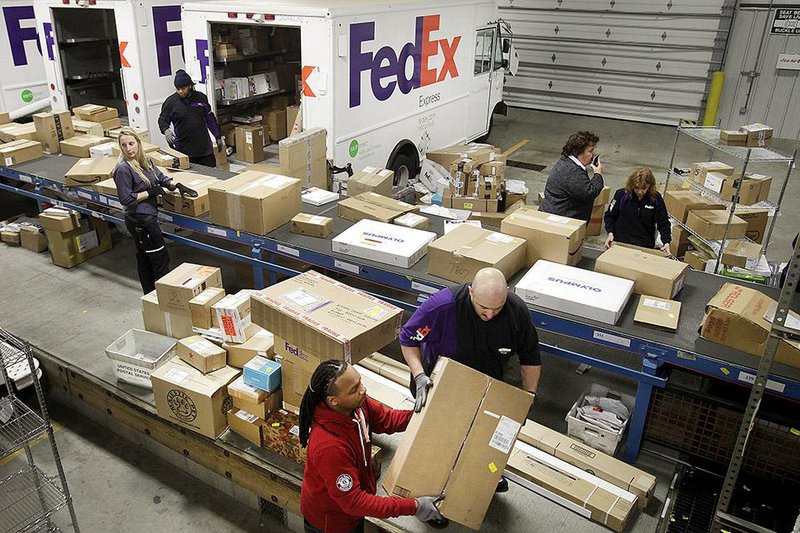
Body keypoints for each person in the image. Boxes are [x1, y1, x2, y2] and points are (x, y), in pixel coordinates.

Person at [398, 267, 542, 494]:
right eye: (483, 308)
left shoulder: (517, 312)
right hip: (439, 384)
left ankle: (477, 475)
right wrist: (419, 375)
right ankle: (431, 494)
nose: (490, 315)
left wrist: (529, 397)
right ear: (471, 292)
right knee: (440, 442)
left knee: (482, 436)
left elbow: (530, 356)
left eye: (497, 308)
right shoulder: (443, 306)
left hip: (486, 385)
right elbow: (408, 338)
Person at [299, 360, 444, 533]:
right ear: (333, 401)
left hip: (351, 514)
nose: (363, 390)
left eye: (360, 381)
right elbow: (354, 502)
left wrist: (423, 413)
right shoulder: (329, 446)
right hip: (332, 524)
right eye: (354, 389)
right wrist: (413, 506)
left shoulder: (356, 405)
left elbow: (387, 420)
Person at [113, 128, 197, 293]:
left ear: (138, 143)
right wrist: (149, 193)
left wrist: (176, 185)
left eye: (131, 143)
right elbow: (126, 199)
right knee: (158, 259)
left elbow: (161, 179)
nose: (128, 148)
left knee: (147, 257)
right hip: (139, 219)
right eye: (124, 145)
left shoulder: (146, 161)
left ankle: (152, 295)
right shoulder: (123, 169)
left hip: (148, 215)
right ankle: (159, 297)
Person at [158, 69, 223, 168]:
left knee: (212, 175)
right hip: (184, 149)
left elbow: (210, 118)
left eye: (183, 88)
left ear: (190, 86)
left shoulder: (201, 98)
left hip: (204, 148)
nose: (180, 91)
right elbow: (162, 119)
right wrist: (166, 130)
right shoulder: (171, 102)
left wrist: (218, 136)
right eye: (177, 88)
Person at [604, 167, 671, 254]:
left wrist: (666, 242)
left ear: (650, 186)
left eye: (644, 189)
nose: (639, 192)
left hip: (644, 245)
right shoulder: (621, 195)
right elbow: (610, 216)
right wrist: (610, 233)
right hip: (621, 242)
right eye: (636, 188)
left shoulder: (656, 199)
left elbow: (663, 223)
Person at [539, 131, 605, 221]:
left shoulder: (566, 161)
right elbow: (589, 193)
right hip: (561, 221)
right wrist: (598, 174)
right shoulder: (573, 172)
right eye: (590, 151)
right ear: (579, 152)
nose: (593, 154)